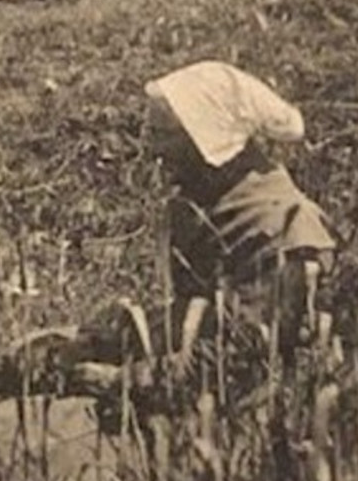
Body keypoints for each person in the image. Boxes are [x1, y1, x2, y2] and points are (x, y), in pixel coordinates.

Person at [144, 60, 337, 338]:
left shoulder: (285, 227)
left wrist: (123, 378)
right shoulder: (209, 210)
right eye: (153, 133)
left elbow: (251, 346)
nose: (155, 149)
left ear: (208, 141)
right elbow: (182, 320)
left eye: (166, 135)